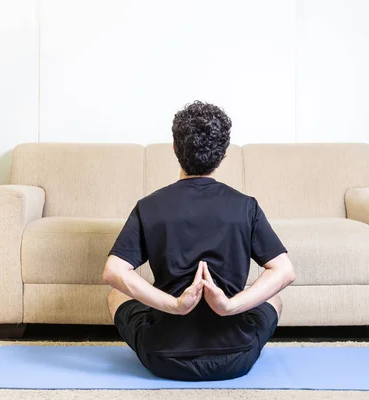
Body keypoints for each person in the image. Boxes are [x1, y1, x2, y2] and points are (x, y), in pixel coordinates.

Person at [102, 101, 296, 381]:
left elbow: (113, 272)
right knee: (273, 296)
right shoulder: (246, 206)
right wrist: (230, 305)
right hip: (236, 358)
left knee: (116, 293)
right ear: (223, 154)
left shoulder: (149, 206)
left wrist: (175, 305)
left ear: (174, 149)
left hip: (164, 359)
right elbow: (284, 271)